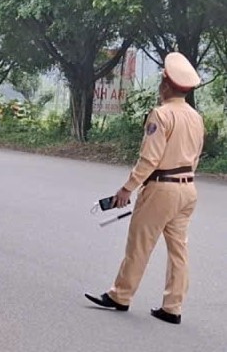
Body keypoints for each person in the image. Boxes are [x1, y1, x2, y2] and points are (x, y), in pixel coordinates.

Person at [84, 52, 204, 325]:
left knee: (139, 244)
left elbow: (150, 158)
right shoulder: (196, 117)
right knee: (179, 251)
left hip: (162, 188)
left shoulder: (161, 115)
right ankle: (173, 307)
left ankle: (121, 295)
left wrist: (127, 188)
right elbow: (196, 155)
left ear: (166, 84)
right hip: (188, 188)